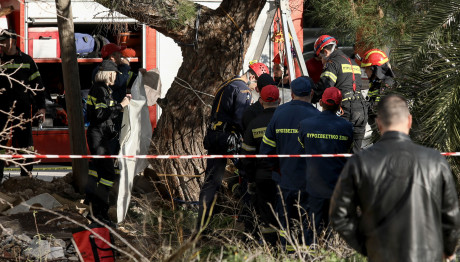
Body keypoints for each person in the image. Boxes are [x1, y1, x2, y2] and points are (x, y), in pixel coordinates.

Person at [329, 94, 460, 262]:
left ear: (378, 123)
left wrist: (368, 246)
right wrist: (447, 249)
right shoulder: (435, 161)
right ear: (410, 121)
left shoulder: (360, 162)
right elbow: (451, 215)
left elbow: (339, 215)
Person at [259, 76, 320, 249]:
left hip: (284, 180)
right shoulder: (316, 116)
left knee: (286, 222)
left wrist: (277, 170)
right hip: (309, 183)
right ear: (312, 93)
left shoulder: (279, 113)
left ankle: (288, 255)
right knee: (308, 224)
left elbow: (266, 149)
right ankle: (308, 256)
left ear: (291, 93)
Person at [196, 64, 257, 232]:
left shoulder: (228, 84)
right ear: (252, 77)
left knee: (211, 183)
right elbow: (240, 119)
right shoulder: (243, 90)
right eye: (256, 84)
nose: (255, 88)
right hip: (229, 139)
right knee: (247, 174)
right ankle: (247, 224)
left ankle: (201, 227)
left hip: (214, 135)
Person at [297, 87, 353, 245]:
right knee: (332, 231)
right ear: (340, 104)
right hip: (336, 187)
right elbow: (348, 150)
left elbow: (302, 148)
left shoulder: (305, 124)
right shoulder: (347, 127)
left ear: (321, 102)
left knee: (311, 229)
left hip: (313, 186)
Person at [85, 60, 131, 225]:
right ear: (108, 74)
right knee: (108, 174)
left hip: (101, 135)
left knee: (97, 171)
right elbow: (100, 115)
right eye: (114, 75)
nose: (115, 78)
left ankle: (91, 206)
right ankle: (100, 212)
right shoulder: (100, 90)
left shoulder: (103, 89)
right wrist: (121, 106)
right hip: (98, 136)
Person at [0, 29, 46, 181]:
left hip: (22, 108)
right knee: (1, 140)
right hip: (2, 109)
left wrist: (41, 107)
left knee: (25, 141)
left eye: (4, 40)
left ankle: (26, 175)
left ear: (13, 41)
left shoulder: (27, 61)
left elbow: (37, 85)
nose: (1, 43)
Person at [312, 35, 367, 153]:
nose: (321, 61)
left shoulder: (332, 63)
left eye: (320, 57)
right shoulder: (353, 63)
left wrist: (311, 97)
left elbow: (325, 87)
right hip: (361, 109)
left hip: (345, 110)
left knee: (339, 152)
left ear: (325, 52)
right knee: (355, 153)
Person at [240, 84, 280, 240]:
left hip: (262, 177)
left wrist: (251, 179)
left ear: (261, 102)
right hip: (285, 176)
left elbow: (247, 156)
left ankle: (269, 249)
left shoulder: (254, 124)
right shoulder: (284, 121)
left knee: (266, 217)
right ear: (279, 100)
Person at [360, 49, 395, 137]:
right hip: (378, 133)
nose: (365, 71)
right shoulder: (376, 83)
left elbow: (378, 108)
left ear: (374, 69)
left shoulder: (386, 85)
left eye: (367, 68)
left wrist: (362, 105)